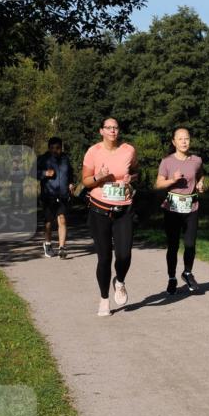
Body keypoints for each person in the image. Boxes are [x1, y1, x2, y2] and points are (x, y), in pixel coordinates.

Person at [81, 117, 137, 316]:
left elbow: (136, 172)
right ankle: (104, 299)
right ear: (101, 131)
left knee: (124, 254)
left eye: (115, 128)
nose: (113, 131)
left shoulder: (128, 150)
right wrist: (99, 177)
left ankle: (119, 281)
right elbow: (86, 182)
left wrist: (131, 180)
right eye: (108, 128)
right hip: (99, 210)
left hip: (124, 210)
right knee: (104, 257)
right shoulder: (93, 152)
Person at [155, 127, 205, 294]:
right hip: (172, 209)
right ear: (174, 142)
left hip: (191, 207)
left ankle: (187, 272)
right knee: (173, 245)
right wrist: (172, 180)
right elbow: (158, 184)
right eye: (181, 139)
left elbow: (200, 174)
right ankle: (172, 278)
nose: (184, 142)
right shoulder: (167, 161)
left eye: (187, 139)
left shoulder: (196, 160)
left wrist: (200, 183)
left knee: (190, 244)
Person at [36, 137, 76, 258]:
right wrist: (44, 173)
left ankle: (62, 248)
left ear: (61, 148)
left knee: (62, 219)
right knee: (49, 222)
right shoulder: (43, 159)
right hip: (48, 195)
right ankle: (48, 244)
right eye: (52, 148)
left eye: (57, 148)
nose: (55, 150)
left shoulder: (65, 159)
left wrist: (71, 183)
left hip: (63, 195)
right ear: (49, 148)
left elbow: (70, 174)